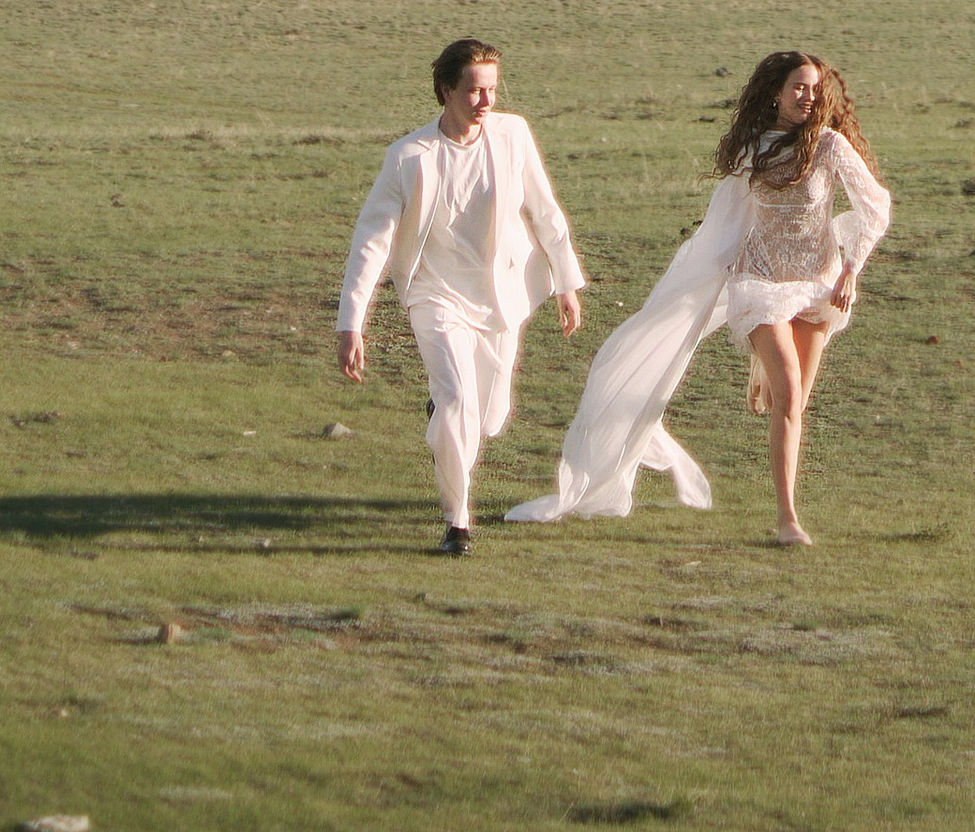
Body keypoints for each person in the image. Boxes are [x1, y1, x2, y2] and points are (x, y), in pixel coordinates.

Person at [509, 50, 889, 546]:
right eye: (799, 87)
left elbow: (874, 206)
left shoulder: (830, 146)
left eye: (815, 89)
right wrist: (703, 277)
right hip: (759, 281)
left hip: (819, 283)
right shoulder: (754, 149)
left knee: (795, 401)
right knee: (790, 396)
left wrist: (851, 270)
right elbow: (727, 221)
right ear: (776, 92)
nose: (808, 97)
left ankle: (764, 372)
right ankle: (787, 518)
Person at [338, 37, 588, 556]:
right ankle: (458, 522)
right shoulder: (409, 157)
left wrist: (567, 282)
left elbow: (545, 210)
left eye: (492, 89)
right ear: (446, 90)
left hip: (501, 295)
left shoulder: (513, 134)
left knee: (488, 418)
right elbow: (373, 240)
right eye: (474, 90)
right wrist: (351, 322)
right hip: (436, 296)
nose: (485, 101)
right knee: (456, 403)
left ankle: (445, 421)